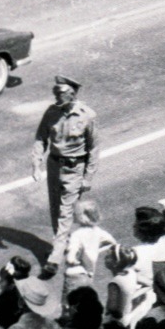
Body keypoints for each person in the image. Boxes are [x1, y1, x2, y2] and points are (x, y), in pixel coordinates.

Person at [33, 76, 98, 278]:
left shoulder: (87, 116)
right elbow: (40, 138)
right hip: (54, 165)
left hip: (74, 168)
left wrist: (88, 177)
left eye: (59, 92)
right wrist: (36, 164)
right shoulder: (52, 113)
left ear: (73, 93)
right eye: (55, 92)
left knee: (65, 212)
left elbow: (94, 148)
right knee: (55, 210)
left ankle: (54, 258)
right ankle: (62, 245)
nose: (55, 95)